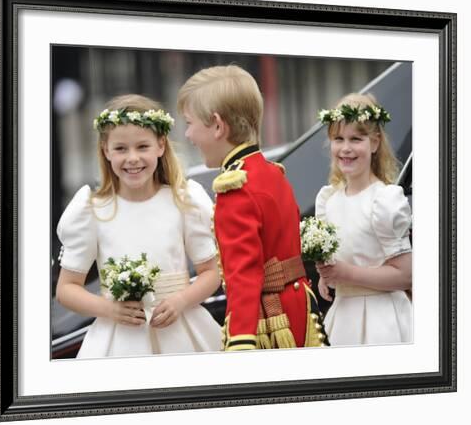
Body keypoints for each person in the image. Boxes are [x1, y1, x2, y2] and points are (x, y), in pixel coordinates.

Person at [55, 94, 222, 358]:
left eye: (142, 146)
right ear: (106, 150)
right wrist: (109, 308)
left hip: (182, 331)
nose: (132, 158)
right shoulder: (92, 209)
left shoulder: (184, 201)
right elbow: (66, 289)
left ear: (160, 145)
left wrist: (181, 301)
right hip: (118, 341)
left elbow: (211, 272)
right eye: (121, 148)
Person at [177, 65, 328, 351]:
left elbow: (243, 276)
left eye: (189, 123)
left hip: (268, 321)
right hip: (297, 307)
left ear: (218, 126)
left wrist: (240, 340)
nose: (188, 135)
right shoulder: (272, 172)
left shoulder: (235, 187)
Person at [314, 93, 412, 346]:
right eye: (338, 139)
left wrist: (347, 273)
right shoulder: (329, 200)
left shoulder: (384, 201)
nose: (346, 148)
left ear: (374, 143)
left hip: (382, 319)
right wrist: (327, 275)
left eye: (356, 139)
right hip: (343, 316)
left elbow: (406, 275)